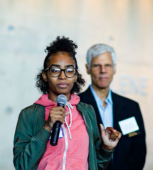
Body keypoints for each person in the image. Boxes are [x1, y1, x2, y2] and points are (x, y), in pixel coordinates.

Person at [13, 37, 121, 170]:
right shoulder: (29, 114)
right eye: (55, 70)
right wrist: (47, 127)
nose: (63, 76)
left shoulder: (87, 111)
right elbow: (22, 165)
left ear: (75, 76)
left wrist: (107, 148)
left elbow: (96, 164)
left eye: (69, 71)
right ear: (45, 75)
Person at [79, 44, 146, 170]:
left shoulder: (131, 107)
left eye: (108, 65)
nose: (103, 70)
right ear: (87, 68)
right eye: (97, 65)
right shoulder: (76, 105)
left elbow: (138, 149)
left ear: (114, 68)